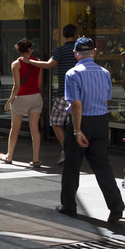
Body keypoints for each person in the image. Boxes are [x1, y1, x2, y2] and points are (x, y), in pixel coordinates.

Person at [57, 37, 125, 223]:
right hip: (100, 120)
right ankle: (116, 206)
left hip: (81, 121)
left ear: (75, 54)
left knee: (72, 165)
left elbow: (76, 104)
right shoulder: (104, 73)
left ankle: (69, 204)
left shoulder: (73, 73)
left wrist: (78, 130)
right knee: (102, 166)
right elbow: (105, 100)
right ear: (94, 52)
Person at [21, 24, 78, 164]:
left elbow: (49, 65)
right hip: (80, 94)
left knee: (55, 122)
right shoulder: (79, 51)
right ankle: (75, 149)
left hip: (64, 93)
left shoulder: (61, 50)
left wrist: (31, 62)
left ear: (64, 36)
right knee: (79, 123)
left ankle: (67, 148)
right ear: (76, 35)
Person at [0, 39, 43, 167]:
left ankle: (9, 155)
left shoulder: (15, 64)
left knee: (15, 128)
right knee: (35, 129)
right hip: (36, 97)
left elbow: (16, 86)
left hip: (22, 98)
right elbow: (39, 83)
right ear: (29, 50)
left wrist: (10, 100)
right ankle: (36, 159)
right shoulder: (38, 62)